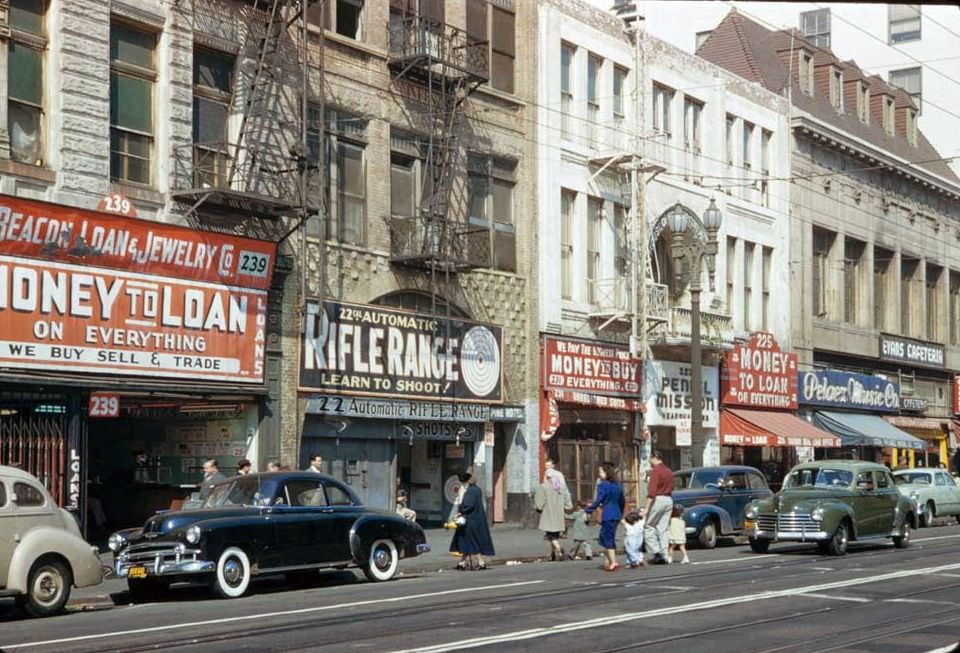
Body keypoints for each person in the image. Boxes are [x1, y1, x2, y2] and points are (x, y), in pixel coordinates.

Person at [449, 472, 494, 570]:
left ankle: (481, 562)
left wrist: (460, 512)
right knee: (464, 540)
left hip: (470, 519)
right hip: (472, 519)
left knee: (471, 540)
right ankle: (462, 562)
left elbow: (468, 505)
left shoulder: (471, 491)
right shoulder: (472, 489)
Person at [585, 463, 625, 572]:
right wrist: (620, 513)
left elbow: (599, 500)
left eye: (600, 472)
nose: (599, 474)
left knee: (608, 538)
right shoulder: (618, 485)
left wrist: (589, 509)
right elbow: (622, 500)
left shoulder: (603, 485)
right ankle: (608, 560)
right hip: (616, 514)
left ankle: (613, 562)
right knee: (604, 537)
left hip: (608, 514)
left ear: (606, 473)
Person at [534, 467, 573, 561]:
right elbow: (567, 501)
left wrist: (538, 507)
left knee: (549, 535)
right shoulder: (560, 487)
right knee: (554, 535)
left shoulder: (544, 487)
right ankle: (552, 554)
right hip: (559, 515)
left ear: (547, 477)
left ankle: (559, 549)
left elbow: (539, 502)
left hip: (548, 515)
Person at [643, 451, 674, 565]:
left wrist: (646, 508)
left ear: (654, 458)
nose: (649, 461)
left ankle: (655, 553)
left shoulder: (655, 471)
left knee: (649, 526)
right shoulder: (668, 470)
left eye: (650, 459)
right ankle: (665, 555)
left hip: (658, 499)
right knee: (663, 528)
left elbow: (651, 492)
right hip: (668, 499)